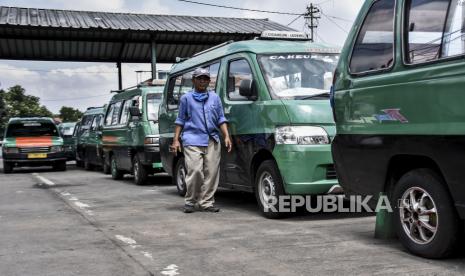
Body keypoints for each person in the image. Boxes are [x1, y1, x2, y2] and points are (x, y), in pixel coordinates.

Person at [171, 67, 232, 213]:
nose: (202, 81)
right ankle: (190, 201)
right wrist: (176, 140)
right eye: (199, 78)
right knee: (195, 171)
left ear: (209, 81)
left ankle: (206, 203)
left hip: (212, 139)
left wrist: (226, 136)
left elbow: (220, 118)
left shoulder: (214, 98)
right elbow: (180, 120)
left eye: (205, 79)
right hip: (192, 139)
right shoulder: (186, 98)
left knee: (211, 172)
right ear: (193, 80)